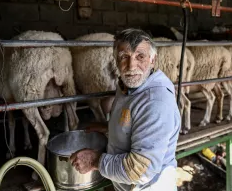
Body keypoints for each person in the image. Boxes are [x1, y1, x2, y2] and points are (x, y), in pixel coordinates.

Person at [70, 28, 181, 191]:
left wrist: (95, 161)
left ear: (153, 60)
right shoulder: (128, 86)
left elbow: (140, 170)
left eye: (140, 56)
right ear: (115, 60)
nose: (131, 66)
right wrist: (111, 128)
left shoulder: (155, 102)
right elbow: (135, 119)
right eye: (124, 57)